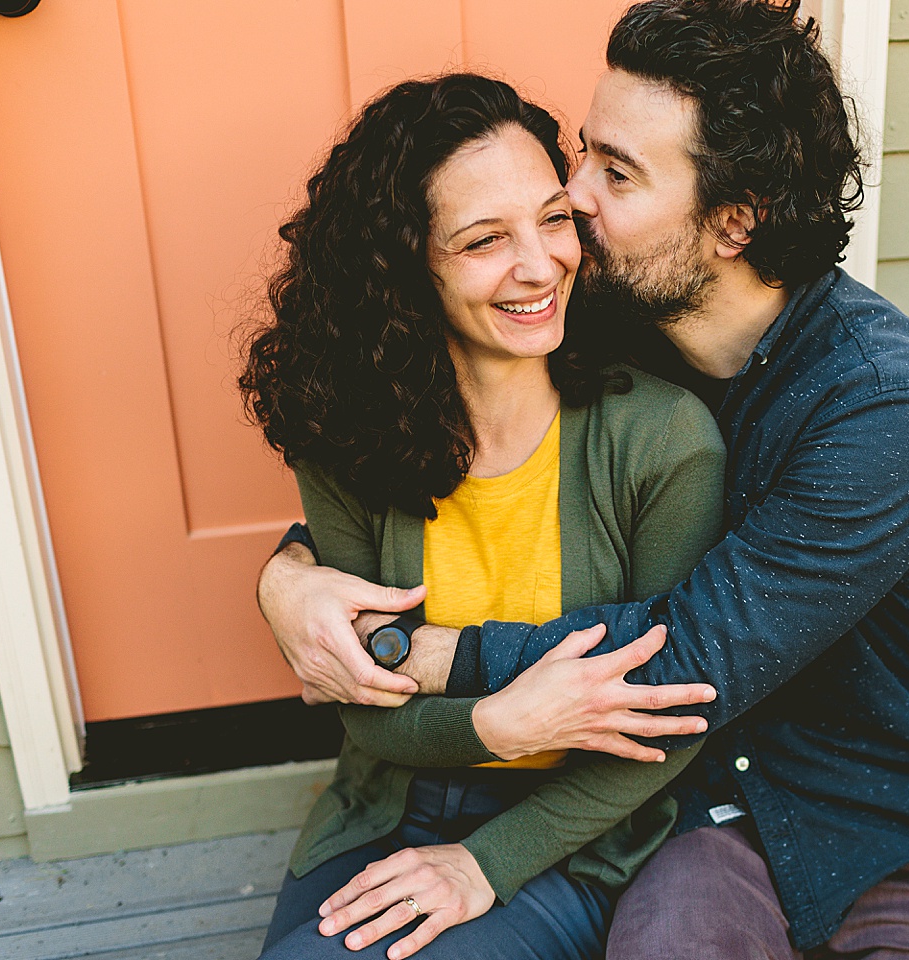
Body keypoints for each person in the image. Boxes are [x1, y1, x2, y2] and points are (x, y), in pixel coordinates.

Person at [259, 1, 909, 957]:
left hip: (869, 816)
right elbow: (415, 417)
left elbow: (681, 659)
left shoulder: (885, 409)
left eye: (615, 173)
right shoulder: (587, 312)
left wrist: (403, 653)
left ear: (733, 222)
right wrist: (288, 576)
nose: (571, 199)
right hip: (695, 815)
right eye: (584, 152)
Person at [238, 74, 727, 960]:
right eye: (482, 241)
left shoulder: (660, 442)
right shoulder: (346, 435)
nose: (539, 265)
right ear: (405, 265)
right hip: (387, 799)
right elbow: (364, 704)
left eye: (552, 218)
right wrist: (498, 726)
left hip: (565, 834)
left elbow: (669, 721)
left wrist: (483, 863)